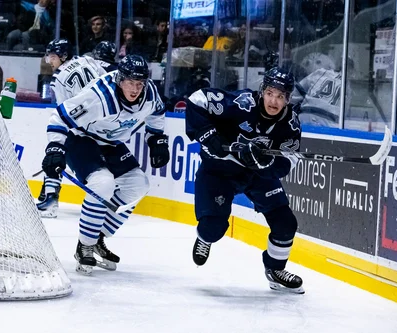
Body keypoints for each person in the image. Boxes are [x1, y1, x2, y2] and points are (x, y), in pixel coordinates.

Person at [41, 54, 169, 274]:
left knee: (138, 184)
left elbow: (157, 111)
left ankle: (97, 237)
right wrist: (55, 148)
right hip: (81, 138)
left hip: (110, 141)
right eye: (130, 82)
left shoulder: (150, 94)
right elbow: (60, 117)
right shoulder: (99, 96)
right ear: (120, 79)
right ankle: (85, 246)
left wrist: (156, 139)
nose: (136, 88)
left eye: (140, 83)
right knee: (102, 182)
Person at [185, 67, 304, 294]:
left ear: (288, 99)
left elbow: (289, 160)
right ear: (262, 91)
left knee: (286, 223)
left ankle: (275, 270)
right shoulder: (241, 104)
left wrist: (263, 164)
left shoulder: (290, 124)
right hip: (218, 172)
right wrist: (211, 136)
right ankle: (204, 238)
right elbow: (196, 99)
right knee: (213, 228)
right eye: (270, 93)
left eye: (280, 96)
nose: (274, 100)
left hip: (255, 175)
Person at [37, 38, 107, 217]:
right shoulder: (87, 60)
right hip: (107, 119)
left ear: (63, 56)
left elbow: (65, 112)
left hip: (84, 127)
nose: (50, 61)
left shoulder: (58, 78)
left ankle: (50, 200)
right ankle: (47, 192)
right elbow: (106, 81)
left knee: (55, 152)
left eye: (52, 57)